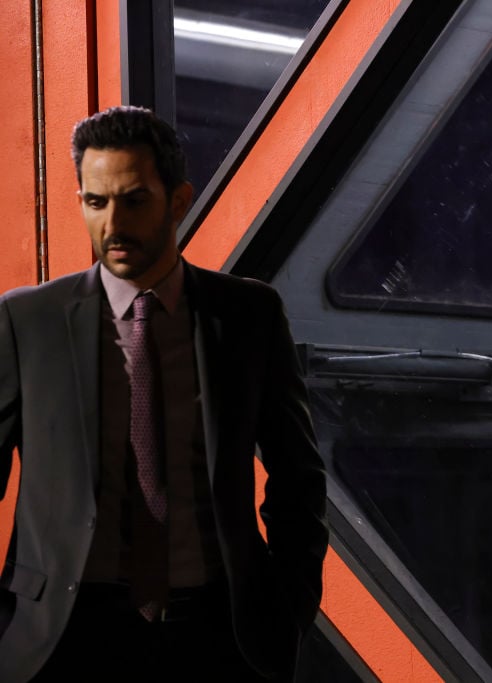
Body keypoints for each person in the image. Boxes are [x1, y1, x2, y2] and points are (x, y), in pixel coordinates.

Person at [0, 106, 328, 682]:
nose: (112, 224)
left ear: (178, 202)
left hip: (218, 633)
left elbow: (297, 476)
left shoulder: (246, 314)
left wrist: (288, 611)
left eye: (134, 201)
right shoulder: (27, 319)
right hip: (60, 637)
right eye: (95, 202)